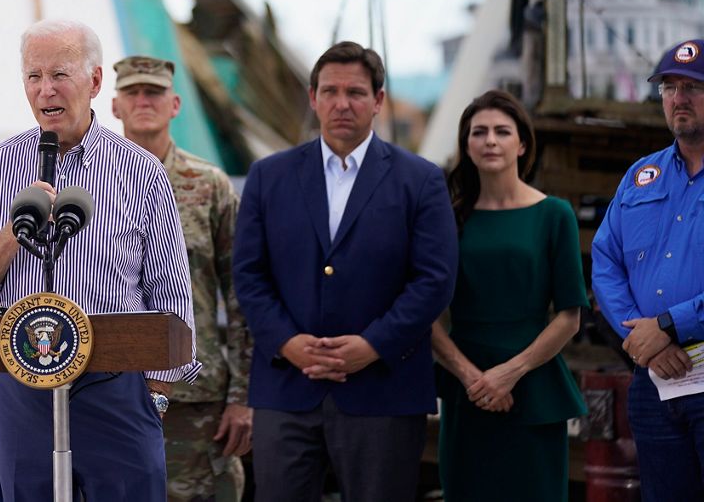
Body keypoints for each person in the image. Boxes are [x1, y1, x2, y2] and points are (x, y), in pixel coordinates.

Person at [0, 19, 199, 502]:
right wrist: (14, 233)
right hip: (21, 384)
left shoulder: (140, 171)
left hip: (116, 385)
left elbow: (171, 296)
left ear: (95, 82)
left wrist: (157, 393)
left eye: (59, 74)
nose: (45, 90)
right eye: (33, 77)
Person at [232, 40, 457, 502]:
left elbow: (434, 280)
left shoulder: (421, 180)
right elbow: (249, 275)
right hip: (286, 387)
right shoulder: (268, 177)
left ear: (377, 101)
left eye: (355, 92)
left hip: (383, 391)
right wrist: (288, 343)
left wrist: (373, 345)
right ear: (312, 98)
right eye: (330, 91)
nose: (341, 103)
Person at [430, 90, 587, 502]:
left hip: (533, 386)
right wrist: (471, 377)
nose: (490, 141)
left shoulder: (555, 214)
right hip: (467, 393)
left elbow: (569, 316)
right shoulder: (448, 219)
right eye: (479, 132)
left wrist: (509, 372)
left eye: (502, 131)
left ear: (522, 144)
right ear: (466, 144)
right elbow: (426, 318)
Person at [111, 55, 253, 502]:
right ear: (115, 106)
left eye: (153, 92)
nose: (143, 101)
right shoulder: (89, 185)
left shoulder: (209, 185)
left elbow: (242, 293)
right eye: (132, 92)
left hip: (196, 397)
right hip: (112, 387)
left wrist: (243, 396)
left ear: (174, 104)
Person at [592, 38, 704, 502]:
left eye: (693, 87)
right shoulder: (642, 176)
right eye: (669, 87)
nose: (679, 98)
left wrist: (670, 325)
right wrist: (645, 340)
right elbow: (605, 261)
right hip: (654, 381)